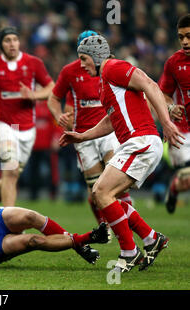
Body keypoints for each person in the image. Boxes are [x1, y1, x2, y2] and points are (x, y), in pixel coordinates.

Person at [59, 34, 185, 273]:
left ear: (96, 56)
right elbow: (111, 119)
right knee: (106, 196)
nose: (82, 65)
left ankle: (129, 251)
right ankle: (150, 239)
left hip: (142, 142)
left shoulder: (114, 68)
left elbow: (149, 85)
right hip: (135, 143)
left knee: (100, 192)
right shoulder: (104, 82)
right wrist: (82, 135)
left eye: (84, 59)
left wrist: (166, 121)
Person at [48, 30, 133, 226]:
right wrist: (58, 115)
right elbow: (54, 98)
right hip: (83, 136)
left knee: (114, 183)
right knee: (95, 189)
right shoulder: (70, 71)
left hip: (109, 131)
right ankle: (106, 227)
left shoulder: (109, 68)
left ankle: (129, 223)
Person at [0, 26, 55, 208]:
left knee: (10, 176)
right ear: (1, 45)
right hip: (1, 125)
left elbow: (52, 87)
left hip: (28, 129)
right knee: (11, 169)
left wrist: (34, 95)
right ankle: (9, 223)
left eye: (15, 39)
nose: (12, 44)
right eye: (7, 40)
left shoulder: (33, 63)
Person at [159, 14, 190, 214]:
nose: (185, 41)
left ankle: (174, 187)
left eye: (188, 36)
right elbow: (163, 94)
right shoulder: (173, 63)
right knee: (188, 177)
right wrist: (170, 108)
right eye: (181, 37)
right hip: (182, 130)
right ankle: (175, 186)